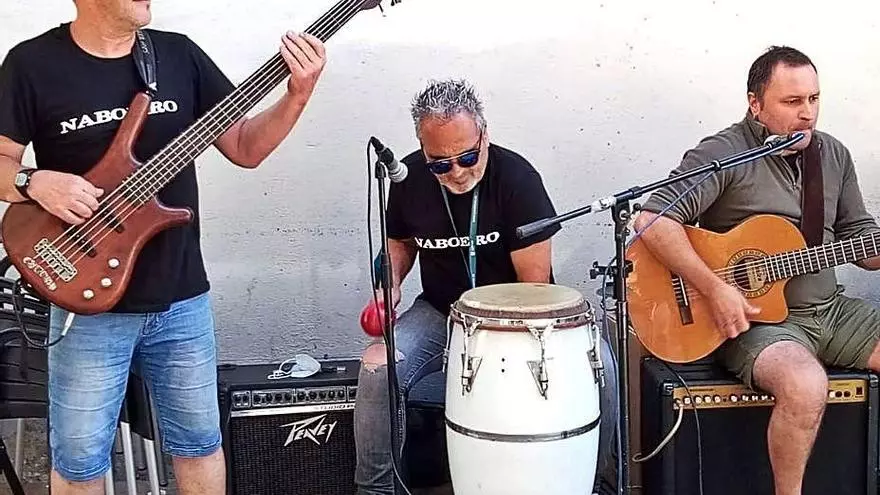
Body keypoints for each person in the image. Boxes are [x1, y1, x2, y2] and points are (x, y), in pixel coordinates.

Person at [0, 1, 326, 493]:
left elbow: (245, 147)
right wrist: (34, 181)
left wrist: (297, 95)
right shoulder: (31, 64)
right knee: (80, 460)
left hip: (181, 298)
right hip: (85, 303)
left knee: (199, 443)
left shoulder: (178, 56)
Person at [634, 46, 880, 495]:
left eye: (814, 99)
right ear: (755, 104)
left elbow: (860, 239)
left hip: (831, 311)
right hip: (757, 322)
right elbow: (653, 220)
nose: (807, 113)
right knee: (805, 385)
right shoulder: (725, 152)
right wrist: (714, 288)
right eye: (792, 101)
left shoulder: (833, 154)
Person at [352, 78, 565, 494]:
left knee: (603, 370)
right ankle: (374, 489)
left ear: (484, 135)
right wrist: (389, 282)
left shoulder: (517, 178)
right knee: (378, 365)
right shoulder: (407, 179)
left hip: (513, 318)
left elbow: (535, 287)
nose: (457, 172)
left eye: (468, 157)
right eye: (440, 164)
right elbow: (399, 243)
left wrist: (485, 337)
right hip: (440, 310)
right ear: (422, 148)